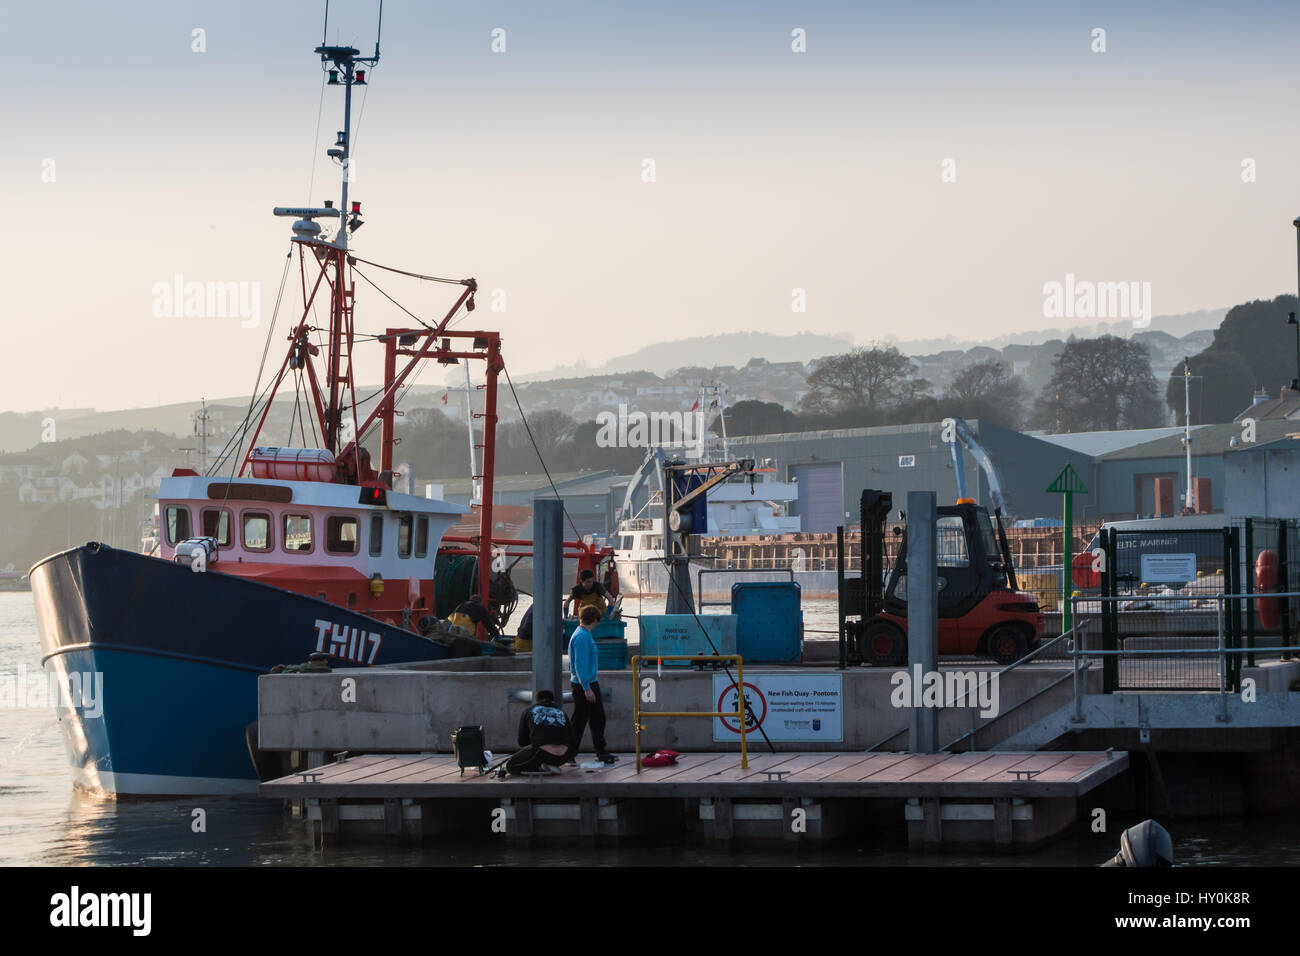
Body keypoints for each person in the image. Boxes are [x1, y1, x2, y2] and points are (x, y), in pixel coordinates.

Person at [567, 604, 615, 764]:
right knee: (580, 720)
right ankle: (570, 753)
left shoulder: (583, 634)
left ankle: (600, 751)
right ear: (594, 620)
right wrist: (587, 689)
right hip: (584, 685)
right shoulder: (582, 637)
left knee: (596, 718)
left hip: (588, 682)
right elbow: (580, 665)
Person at [502, 689, 571, 776]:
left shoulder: (529, 710)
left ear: (536, 700)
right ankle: (549, 765)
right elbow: (572, 738)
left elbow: (522, 741)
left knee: (511, 766)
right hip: (563, 757)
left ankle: (541, 767)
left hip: (541, 754)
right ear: (552, 700)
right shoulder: (561, 712)